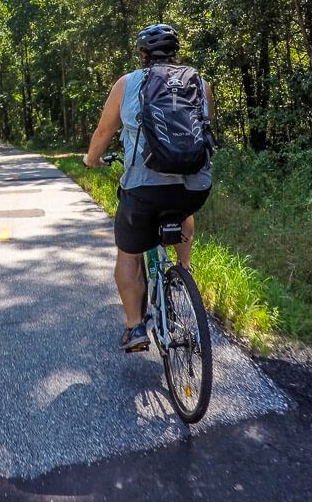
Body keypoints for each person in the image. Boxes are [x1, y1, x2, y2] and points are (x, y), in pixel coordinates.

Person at [83, 24, 215, 351]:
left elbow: (103, 134)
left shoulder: (127, 84)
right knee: (182, 210)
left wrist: (91, 160)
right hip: (195, 187)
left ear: (142, 54)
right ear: (176, 52)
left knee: (128, 252)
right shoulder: (200, 83)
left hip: (144, 188)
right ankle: (184, 273)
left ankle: (135, 328)